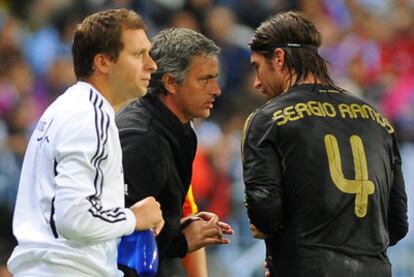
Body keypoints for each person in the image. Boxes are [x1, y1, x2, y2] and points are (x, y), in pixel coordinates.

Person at [241, 11, 408, 277]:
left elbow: (265, 216)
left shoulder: (268, 119)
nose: (257, 82)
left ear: (280, 59)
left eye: (257, 67)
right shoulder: (378, 120)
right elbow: (397, 225)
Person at [7, 9, 164, 277]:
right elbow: (75, 217)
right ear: (103, 62)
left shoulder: (67, 108)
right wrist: (134, 217)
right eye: (138, 54)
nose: (152, 65)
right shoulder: (91, 115)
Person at [116, 27, 234, 276]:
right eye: (205, 79)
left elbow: (155, 218)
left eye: (215, 78)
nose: (216, 89)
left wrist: (183, 226)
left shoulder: (180, 127)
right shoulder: (141, 140)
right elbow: (114, 234)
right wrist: (182, 240)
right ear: (170, 82)